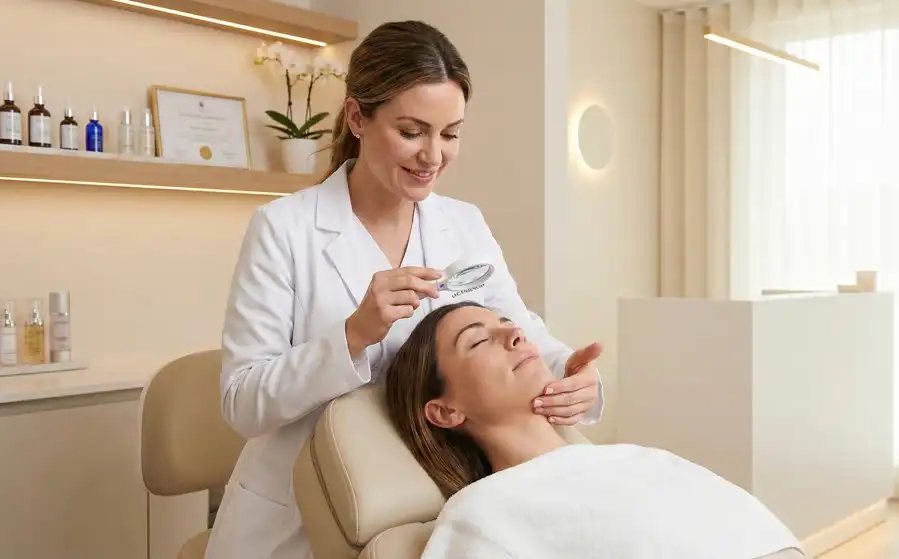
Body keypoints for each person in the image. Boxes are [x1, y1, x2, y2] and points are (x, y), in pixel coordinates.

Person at [208, 20, 605, 559]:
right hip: (300, 521)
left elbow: (520, 329)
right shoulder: (284, 229)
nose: (433, 156)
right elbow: (241, 403)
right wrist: (352, 336)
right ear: (357, 117)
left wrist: (571, 378)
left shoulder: (463, 225)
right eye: (413, 131)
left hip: (423, 503)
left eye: (451, 133)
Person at [384, 301, 806, 559]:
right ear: (444, 412)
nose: (515, 333)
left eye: (506, 323)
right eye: (477, 341)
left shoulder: (636, 458)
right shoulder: (482, 513)